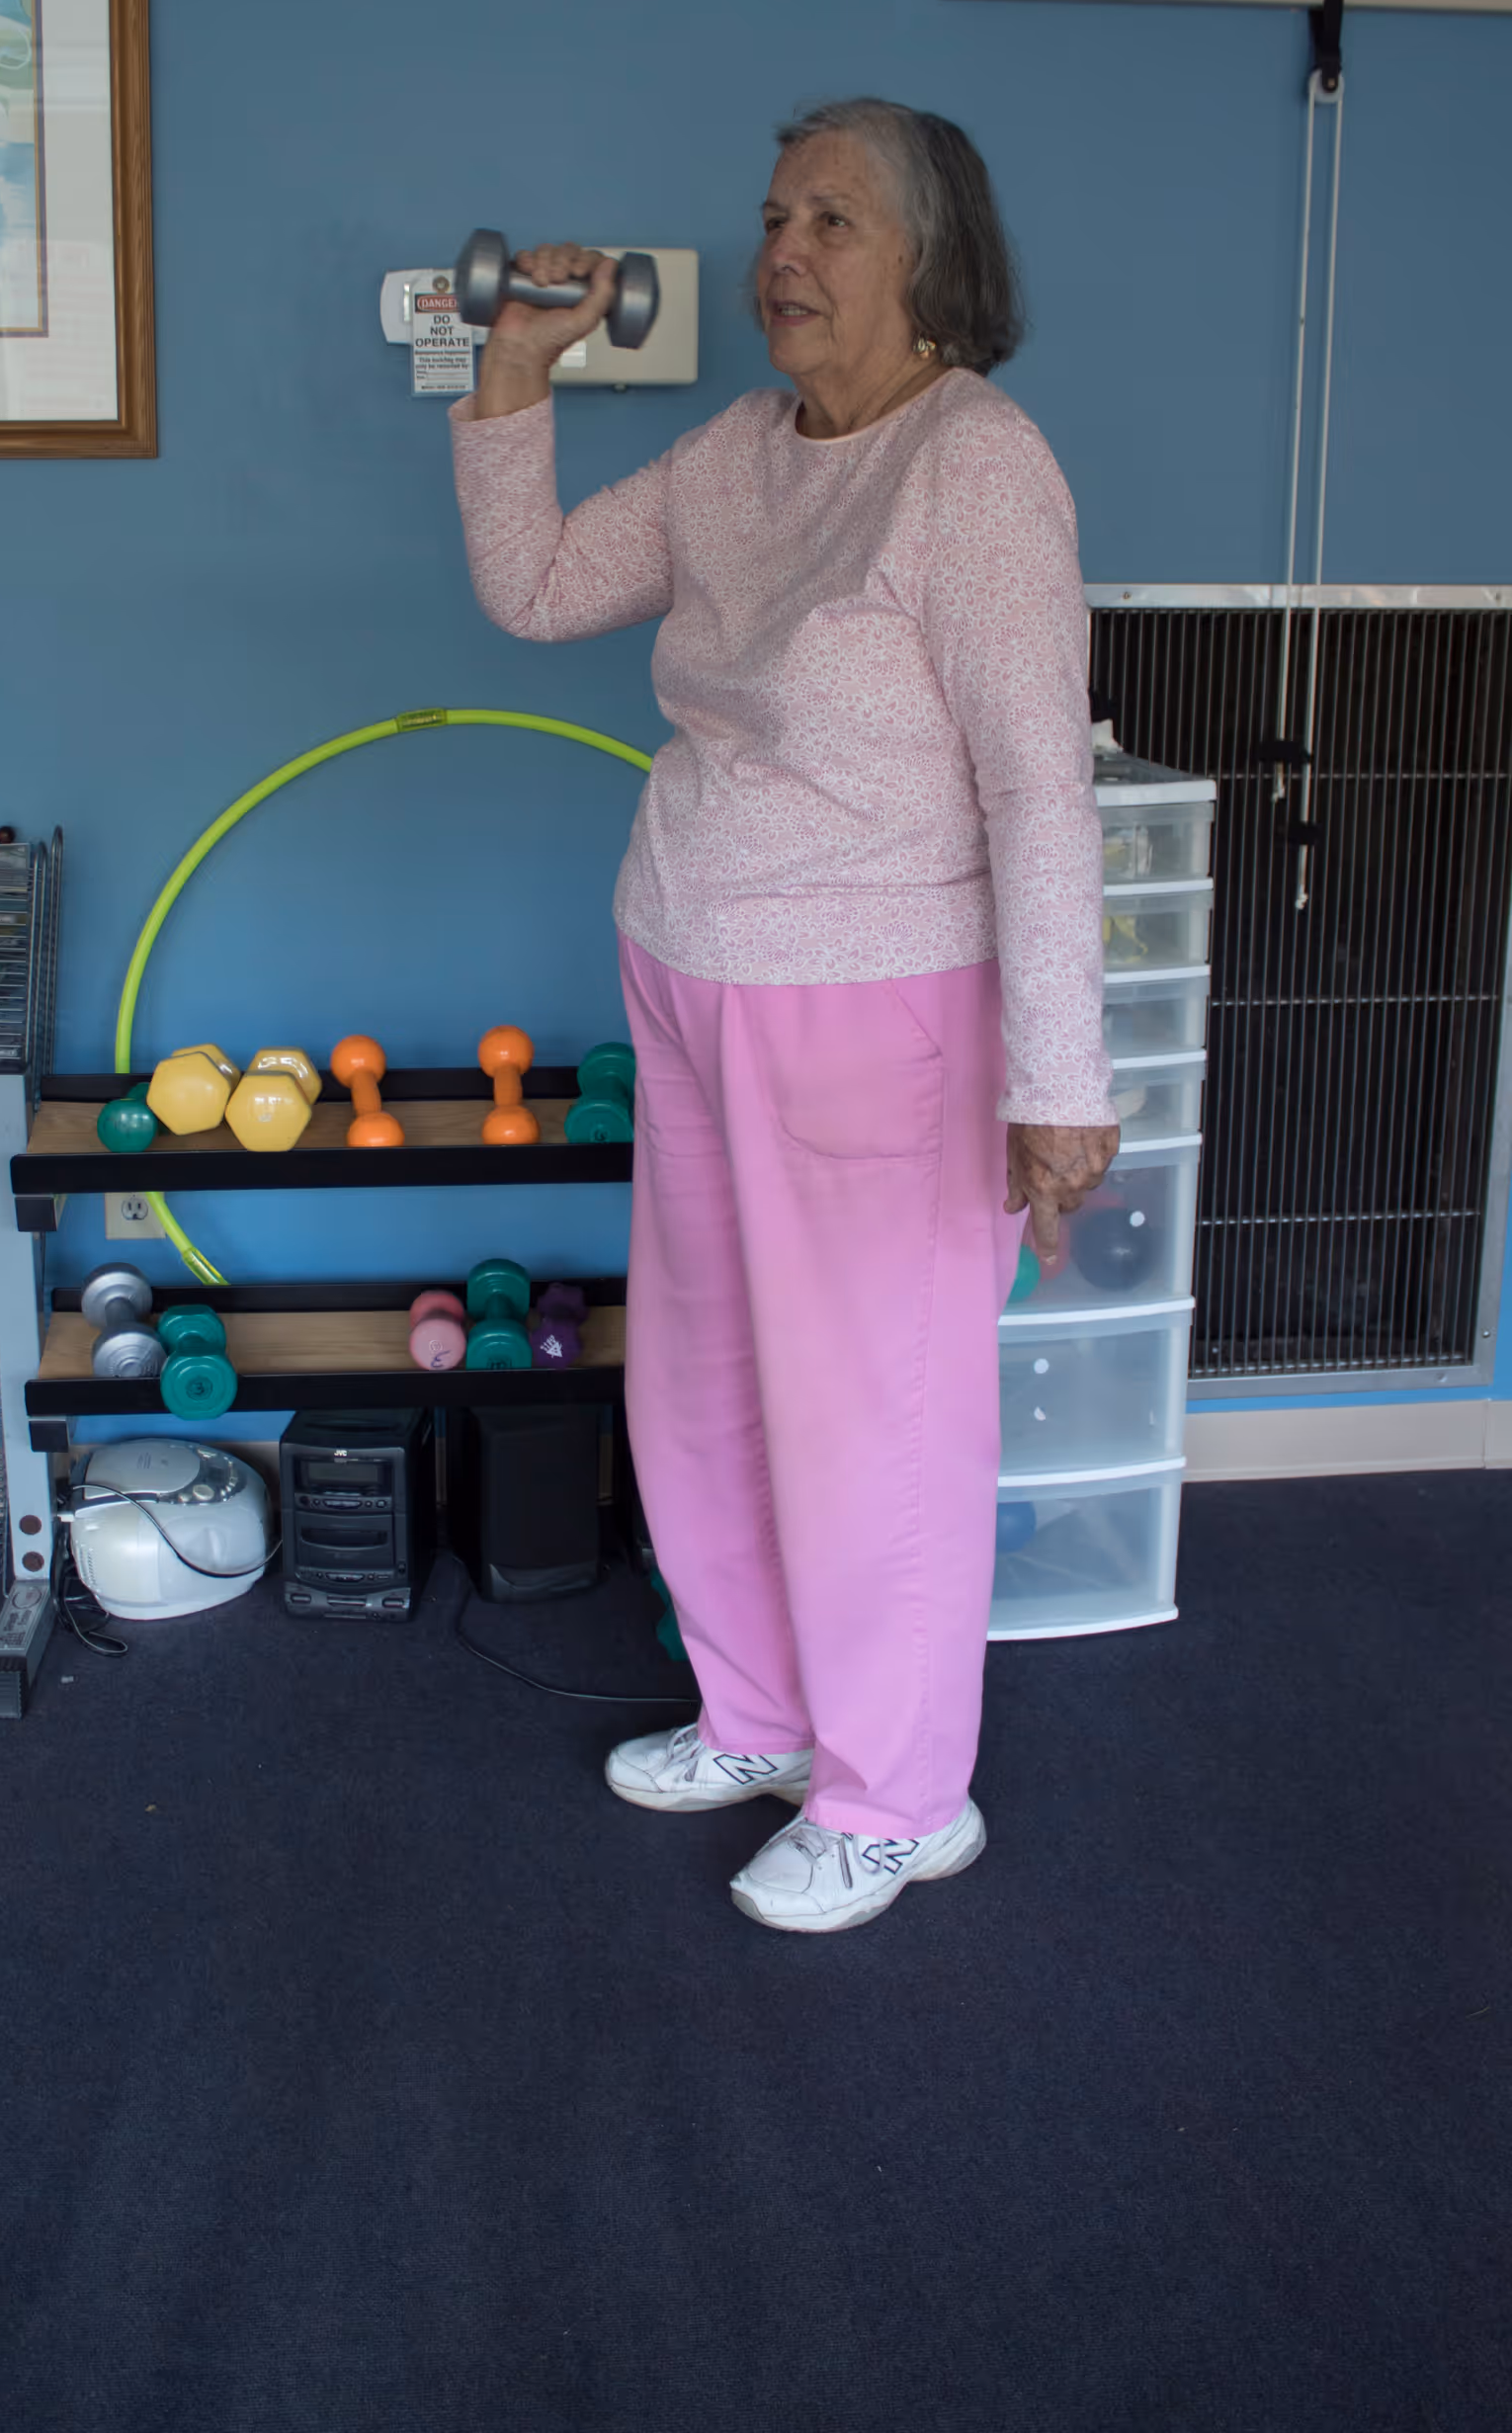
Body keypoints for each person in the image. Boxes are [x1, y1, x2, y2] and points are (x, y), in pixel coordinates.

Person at [449, 98, 1118, 1935]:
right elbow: (533, 592)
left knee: (874, 1415)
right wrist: (519, 371)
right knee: (708, 1383)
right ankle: (761, 1717)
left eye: (833, 219)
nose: (783, 255)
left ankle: (900, 1794)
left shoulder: (975, 466)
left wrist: (1062, 1080)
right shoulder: (745, 449)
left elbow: (1037, 790)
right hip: (687, 970)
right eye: (772, 217)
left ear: (931, 262)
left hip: (875, 1008)